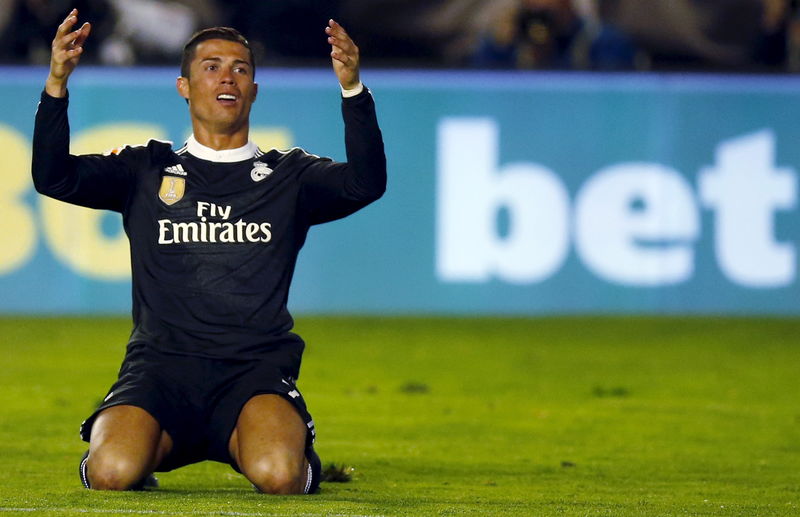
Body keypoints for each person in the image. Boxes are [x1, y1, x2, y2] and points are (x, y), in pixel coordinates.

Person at [32, 8, 386, 494]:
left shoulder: (289, 176)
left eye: (241, 68)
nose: (228, 77)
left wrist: (352, 89)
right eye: (212, 65)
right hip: (158, 369)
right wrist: (56, 84)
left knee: (279, 477)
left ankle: (282, 445)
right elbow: (53, 177)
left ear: (254, 91)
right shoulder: (145, 169)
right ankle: (143, 447)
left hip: (252, 372)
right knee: (111, 472)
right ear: (184, 86)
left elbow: (366, 183)